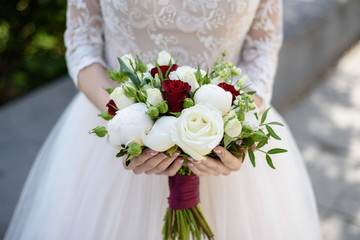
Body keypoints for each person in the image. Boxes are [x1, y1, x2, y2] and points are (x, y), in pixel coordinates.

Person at [5, 0, 322, 239]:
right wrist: (128, 122)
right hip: (113, 138)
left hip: (222, 145)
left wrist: (237, 133)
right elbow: (82, 45)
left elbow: (261, 49)